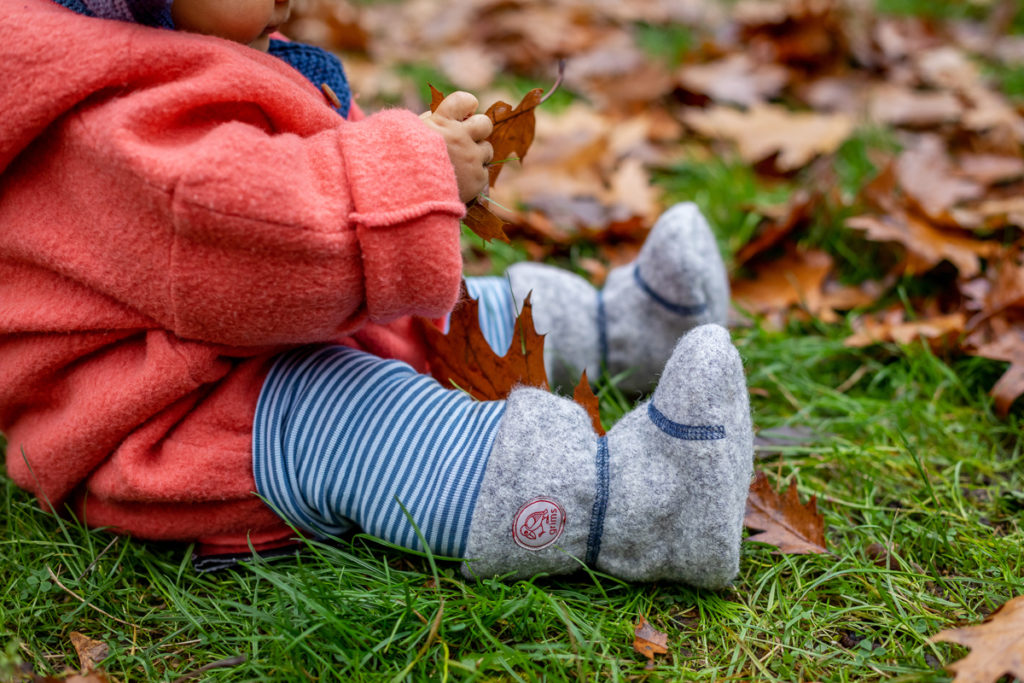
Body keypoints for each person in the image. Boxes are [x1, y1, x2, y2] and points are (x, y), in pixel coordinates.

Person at [0, 0, 753, 587]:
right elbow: (246, 236)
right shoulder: (112, 120)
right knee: (364, 414)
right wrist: (417, 171)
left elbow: (292, 173)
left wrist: (415, 147)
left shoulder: (157, 50)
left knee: (436, 318)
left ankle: (621, 327)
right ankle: (638, 503)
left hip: (240, 341)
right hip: (167, 411)